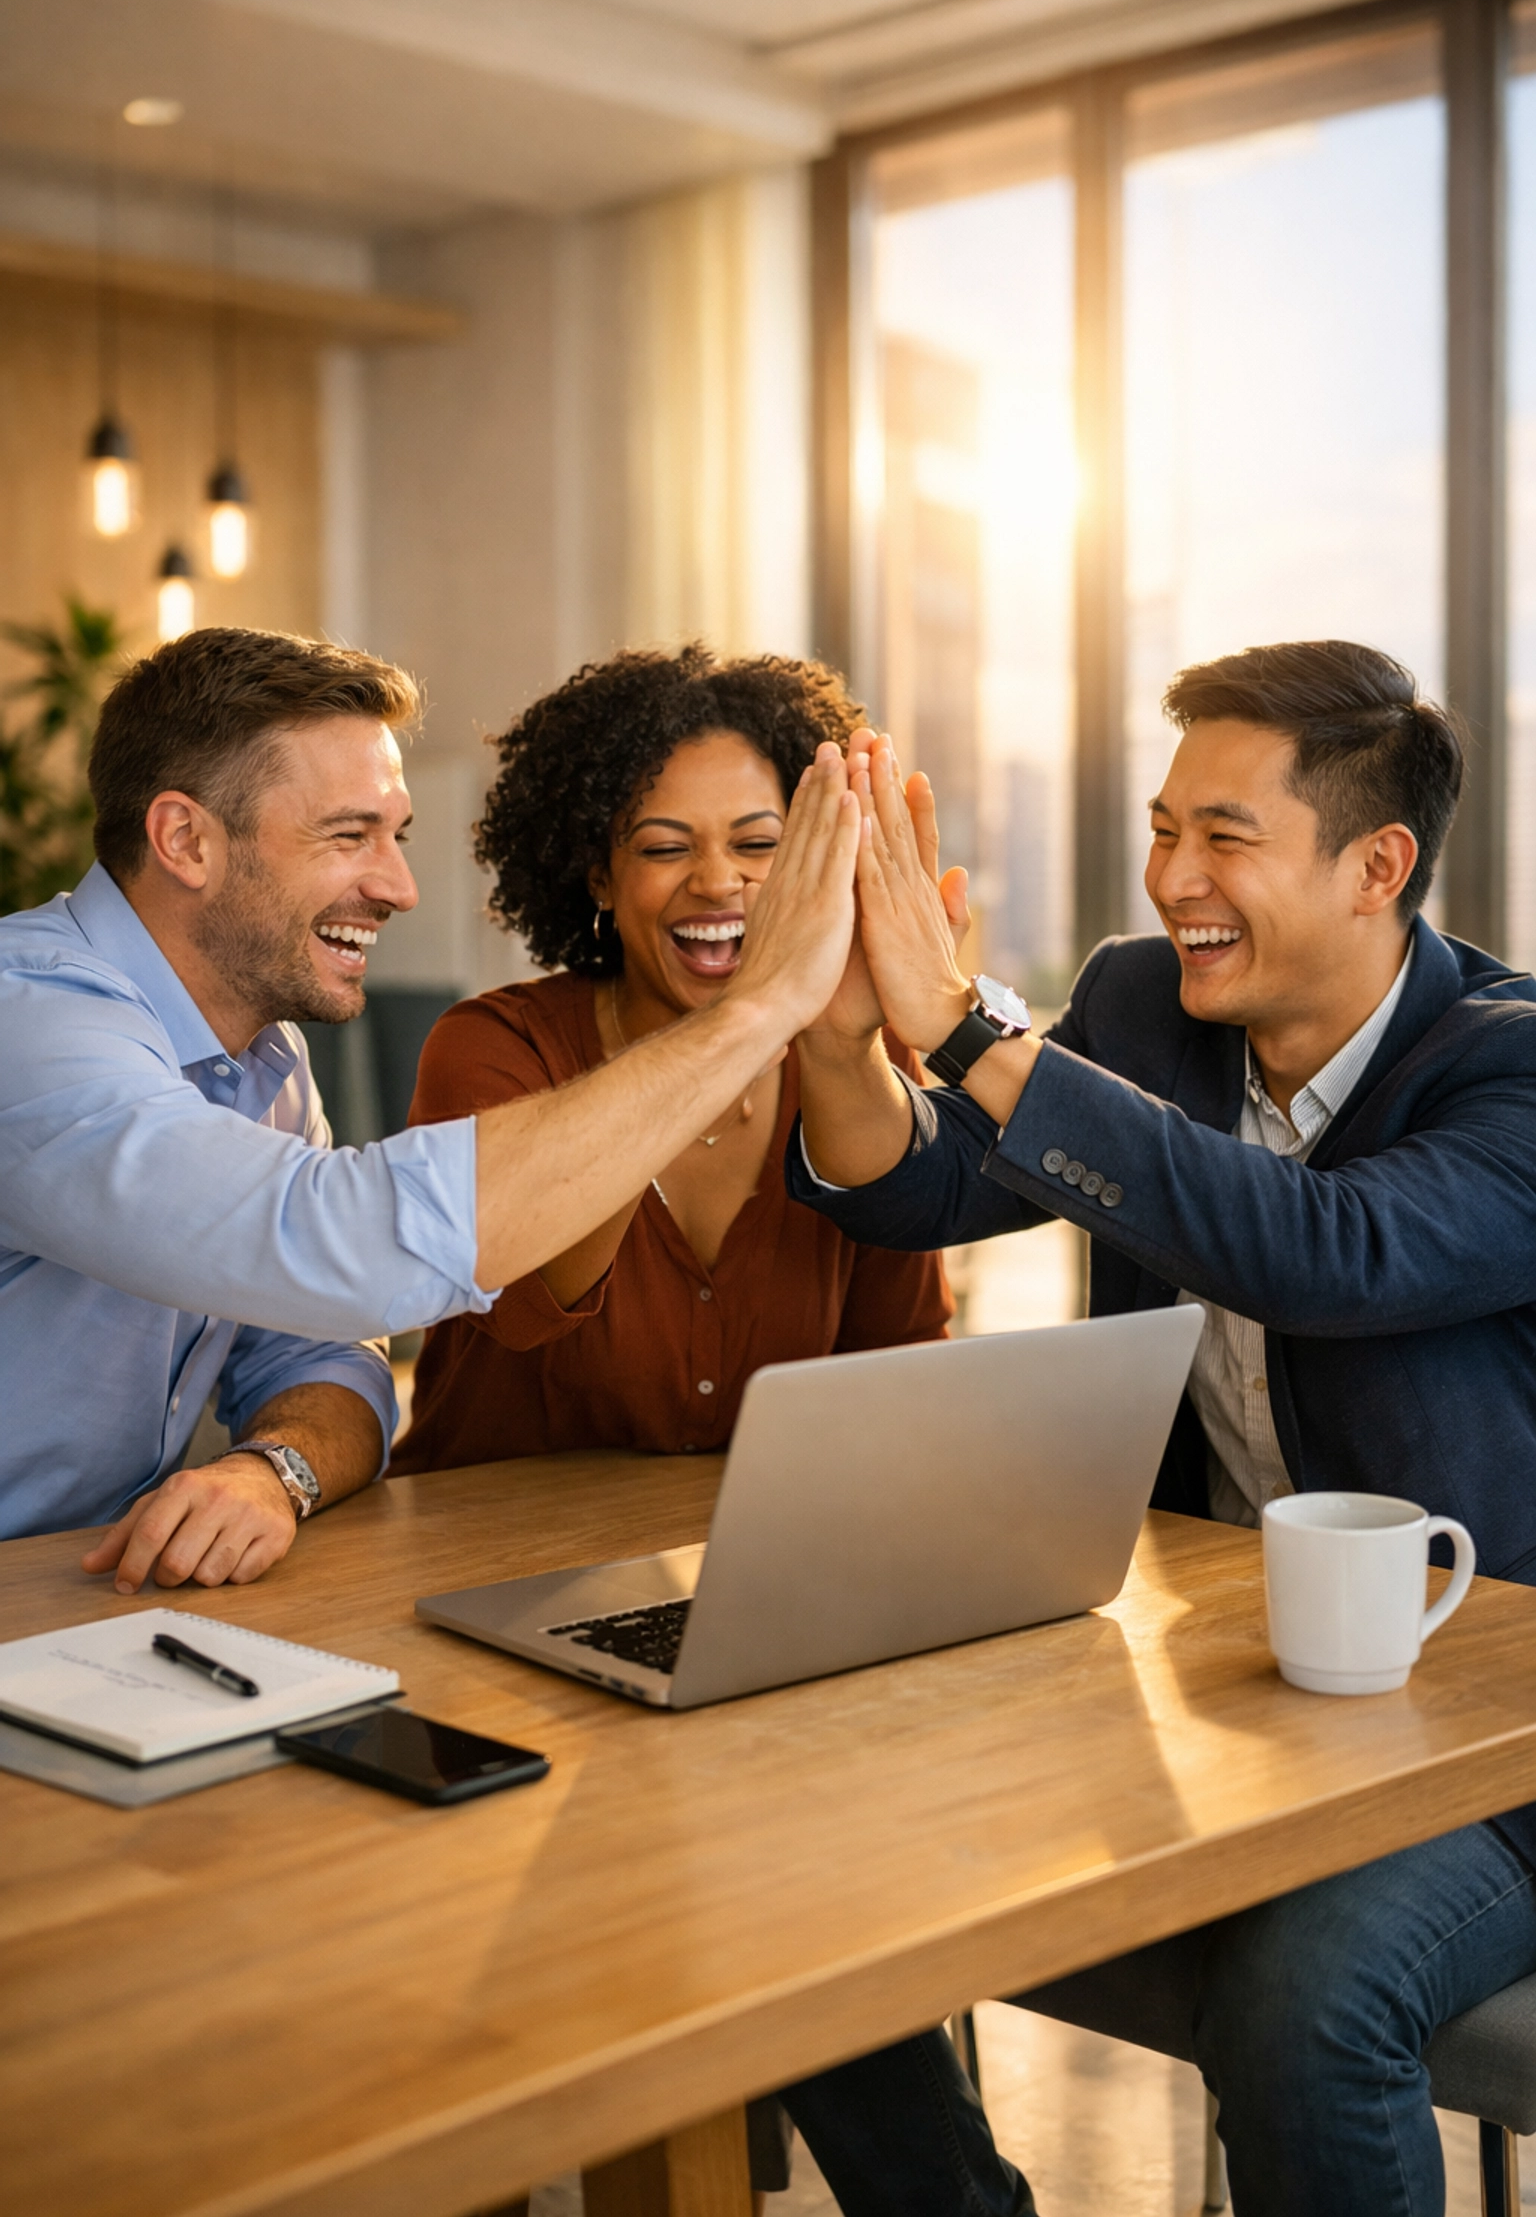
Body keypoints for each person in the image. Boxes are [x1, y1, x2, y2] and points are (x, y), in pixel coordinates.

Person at [780, 641, 1536, 2217]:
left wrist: (977, 1033)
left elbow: (1327, 1255)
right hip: (1217, 1685)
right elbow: (920, 1190)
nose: (1169, 874)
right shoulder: (1143, 1000)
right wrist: (845, 1035)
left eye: (1223, 838)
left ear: (1376, 866)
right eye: (1161, 825)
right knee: (792, 1867)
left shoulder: (1514, 1067)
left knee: (1305, 2004)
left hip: (1490, 1727)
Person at [0, 627, 861, 1591]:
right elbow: (342, 1245)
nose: (398, 886)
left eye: (394, 836)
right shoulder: (26, 1022)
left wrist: (273, 1469)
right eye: (348, 835)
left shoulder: (260, 1057)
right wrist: (763, 1005)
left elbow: (327, 1342)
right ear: (186, 840)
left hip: (78, 1599)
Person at [392, 646, 951, 1476]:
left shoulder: (855, 1054)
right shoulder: (494, 1049)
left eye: (760, 845)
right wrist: (753, 1015)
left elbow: (901, 1364)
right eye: (663, 849)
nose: (718, 881)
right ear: (600, 880)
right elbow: (524, 1298)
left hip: (736, 1569)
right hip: (478, 1565)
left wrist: (845, 1042)